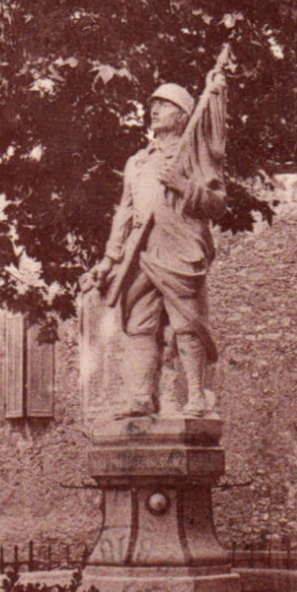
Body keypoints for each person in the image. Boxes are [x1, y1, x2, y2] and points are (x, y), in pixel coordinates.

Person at [82, 70, 227, 418]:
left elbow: (217, 204)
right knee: (138, 326)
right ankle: (141, 398)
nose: (155, 110)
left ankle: (195, 397)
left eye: (165, 105)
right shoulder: (137, 162)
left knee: (187, 325)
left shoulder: (196, 157)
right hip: (140, 252)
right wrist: (108, 260)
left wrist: (182, 184)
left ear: (182, 116)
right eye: (154, 105)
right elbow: (124, 212)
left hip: (180, 247)